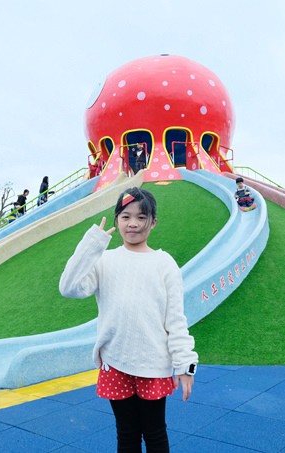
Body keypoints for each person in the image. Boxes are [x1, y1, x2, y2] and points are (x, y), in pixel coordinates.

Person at [60, 187, 198, 452]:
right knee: (126, 433)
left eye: (141, 217)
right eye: (125, 216)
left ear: (153, 222)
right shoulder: (104, 260)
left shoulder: (164, 263)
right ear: (116, 220)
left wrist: (185, 364)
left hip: (152, 363)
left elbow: (176, 319)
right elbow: (69, 287)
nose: (133, 223)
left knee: (155, 433)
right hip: (116, 361)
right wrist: (91, 245)